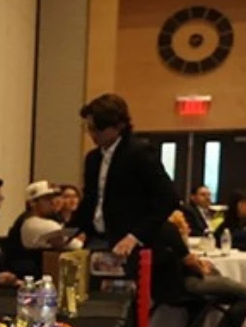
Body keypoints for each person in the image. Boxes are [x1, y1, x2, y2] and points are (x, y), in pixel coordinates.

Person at [69, 94, 179, 257]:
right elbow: (91, 201)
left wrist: (135, 236)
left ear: (119, 126)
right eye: (90, 128)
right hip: (97, 238)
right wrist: (67, 231)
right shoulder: (93, 158)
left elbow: (168, 198)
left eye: (98, 129)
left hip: (129, 241)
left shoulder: (139, 152)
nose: (93, 134)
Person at [153, 211, 246, 327]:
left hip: (165, 286)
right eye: (184, 221)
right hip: (188, 283)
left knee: (215, 291)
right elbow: (188, 261)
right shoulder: (170, 232)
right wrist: (201, 268)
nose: (187, 225)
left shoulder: (153, 231)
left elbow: (183, 259)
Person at [20, 181, 83, 251]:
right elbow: (77, 245)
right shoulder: (46, 225)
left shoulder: (27, 220)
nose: (53, 202)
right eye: (47, 199)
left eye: (53, 198)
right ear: (32, 203)